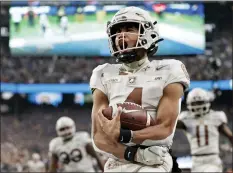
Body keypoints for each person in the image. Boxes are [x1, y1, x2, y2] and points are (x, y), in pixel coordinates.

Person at [90, 6, 190, 172]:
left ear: (148, 33)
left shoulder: (170, 69)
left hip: (154, 160)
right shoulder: (103, 73)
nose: (121, 36)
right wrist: (133, 154)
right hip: (117, 161)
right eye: (117, 31)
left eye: (129, 29)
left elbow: (165, 128)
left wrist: (125, 136)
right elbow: (98, 137)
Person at [177, 88, 233, 172]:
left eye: (199, 102)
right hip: (196, 161)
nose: (197, 105)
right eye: (194, 103)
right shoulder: (186, 118)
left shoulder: (215, 117)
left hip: (212, 160)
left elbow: (230, 136)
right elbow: (170, 125)